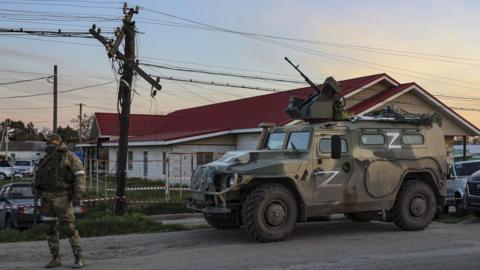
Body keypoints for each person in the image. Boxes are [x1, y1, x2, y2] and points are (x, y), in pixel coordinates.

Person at [33, 133, 86, 268]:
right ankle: (55, 258)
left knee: (69, 228)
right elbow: (40, 176)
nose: (48, 143)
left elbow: (80, 174)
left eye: (51, 140)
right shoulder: (46, 158)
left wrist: (78, 193)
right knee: (49, 229)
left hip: (62, 197)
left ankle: (79, 257)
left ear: (58, 141)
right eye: (47, 141)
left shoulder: (69, 156)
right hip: (46, 198)